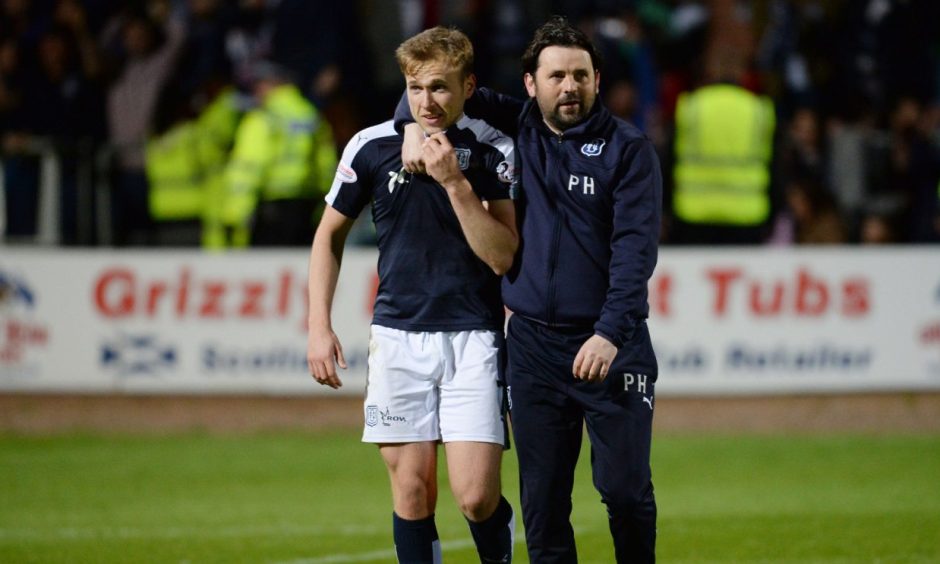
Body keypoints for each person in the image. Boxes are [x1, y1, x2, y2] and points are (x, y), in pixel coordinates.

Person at [399, 16, 662, 563]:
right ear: (530, 84)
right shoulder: (518, 123)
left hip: (611, 347)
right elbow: (434, 89)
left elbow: (635, 255)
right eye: (557, 76)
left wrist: (610, 333)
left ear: (596, 78)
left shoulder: (629, 151)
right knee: (542, 505)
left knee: (624, 491)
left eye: (581, 75)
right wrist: (408, 125)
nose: (570, 87)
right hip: (534, 351)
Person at [306, 27, 518, 564]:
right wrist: (317, 325)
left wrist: (454, 183)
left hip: (474, 337)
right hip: (397, 339)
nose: (428, 102)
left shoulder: (493, 149)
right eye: (417, 88)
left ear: (469, 86)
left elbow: (502, 256)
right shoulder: (372, 145)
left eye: (441, 88)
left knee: (475, 498)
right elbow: (327, 235)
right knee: (413, 492)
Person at [221, 60, 336, 247]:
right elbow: (327, 164)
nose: (256, 91)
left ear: (272, 84)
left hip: (270, 207)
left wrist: (235, 216)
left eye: (259, 84)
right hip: (307, 205)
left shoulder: (264, 117)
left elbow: (248, 169)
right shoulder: (311, 116)